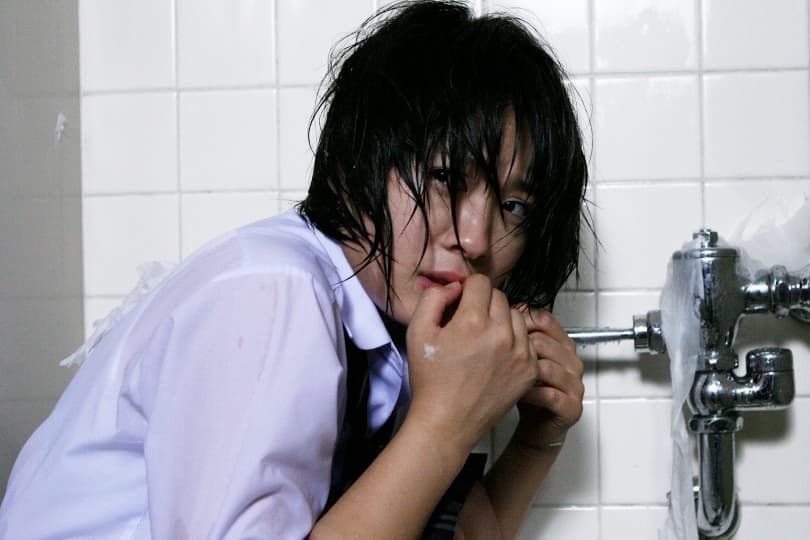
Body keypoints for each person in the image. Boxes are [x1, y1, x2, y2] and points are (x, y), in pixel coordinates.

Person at [0, 1, 590, 538]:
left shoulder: (382, 332)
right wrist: (444, 422)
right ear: (359, 159)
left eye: (514, 206)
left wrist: (536, 440)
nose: (477, 238)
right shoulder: (274, 295)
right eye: (444, 178)